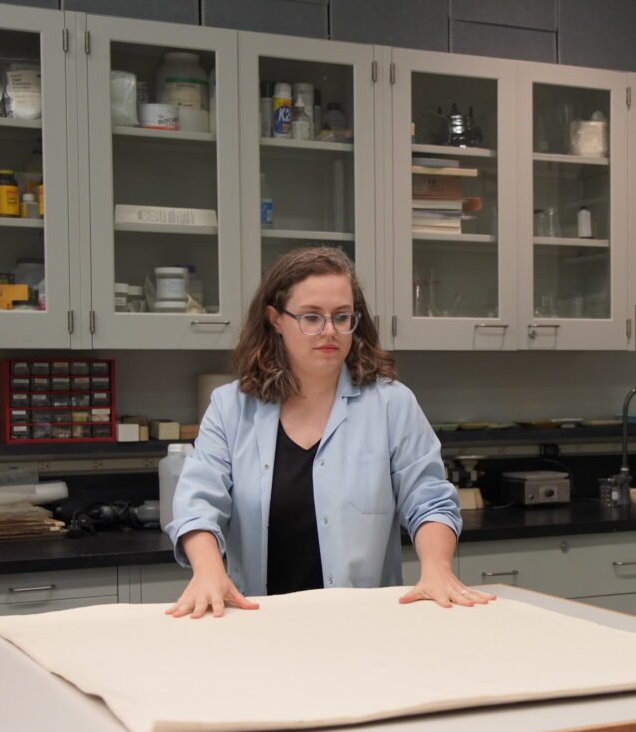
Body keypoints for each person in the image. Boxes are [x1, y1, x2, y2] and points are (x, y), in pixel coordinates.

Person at [165, 245, 493, 618]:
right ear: (275, 319)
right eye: (311, 317)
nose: (329, 332)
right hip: (260, 621)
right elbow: (198, 505)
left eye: (342, 317)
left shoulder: (391, 405)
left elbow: (429, 499)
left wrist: (436, 568)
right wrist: (208, 572)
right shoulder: (231, 408)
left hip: (365, 623)